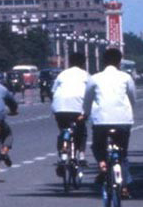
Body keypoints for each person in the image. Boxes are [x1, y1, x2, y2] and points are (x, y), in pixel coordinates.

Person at [83, 47, 136, 198]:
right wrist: (129, 111)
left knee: (97, 146)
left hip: (101, 122)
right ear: (120, 62)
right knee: (122, 154)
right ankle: (124, 187)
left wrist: (85, 114)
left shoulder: (95, 78)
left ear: (103, 61)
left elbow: (87, 100)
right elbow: (132, 98)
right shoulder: (126, 77)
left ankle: (102, 164)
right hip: (123, 121)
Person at [51, 51, 90, 168]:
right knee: (81, 131)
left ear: (70, 62)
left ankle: (63, 150)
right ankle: (82, 156)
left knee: (63, 129)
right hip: (78, 107)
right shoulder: (86, 75)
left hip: (60, 108)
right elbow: (92, 92)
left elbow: (53, 91)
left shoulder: (62, 74)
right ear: (83, 63)